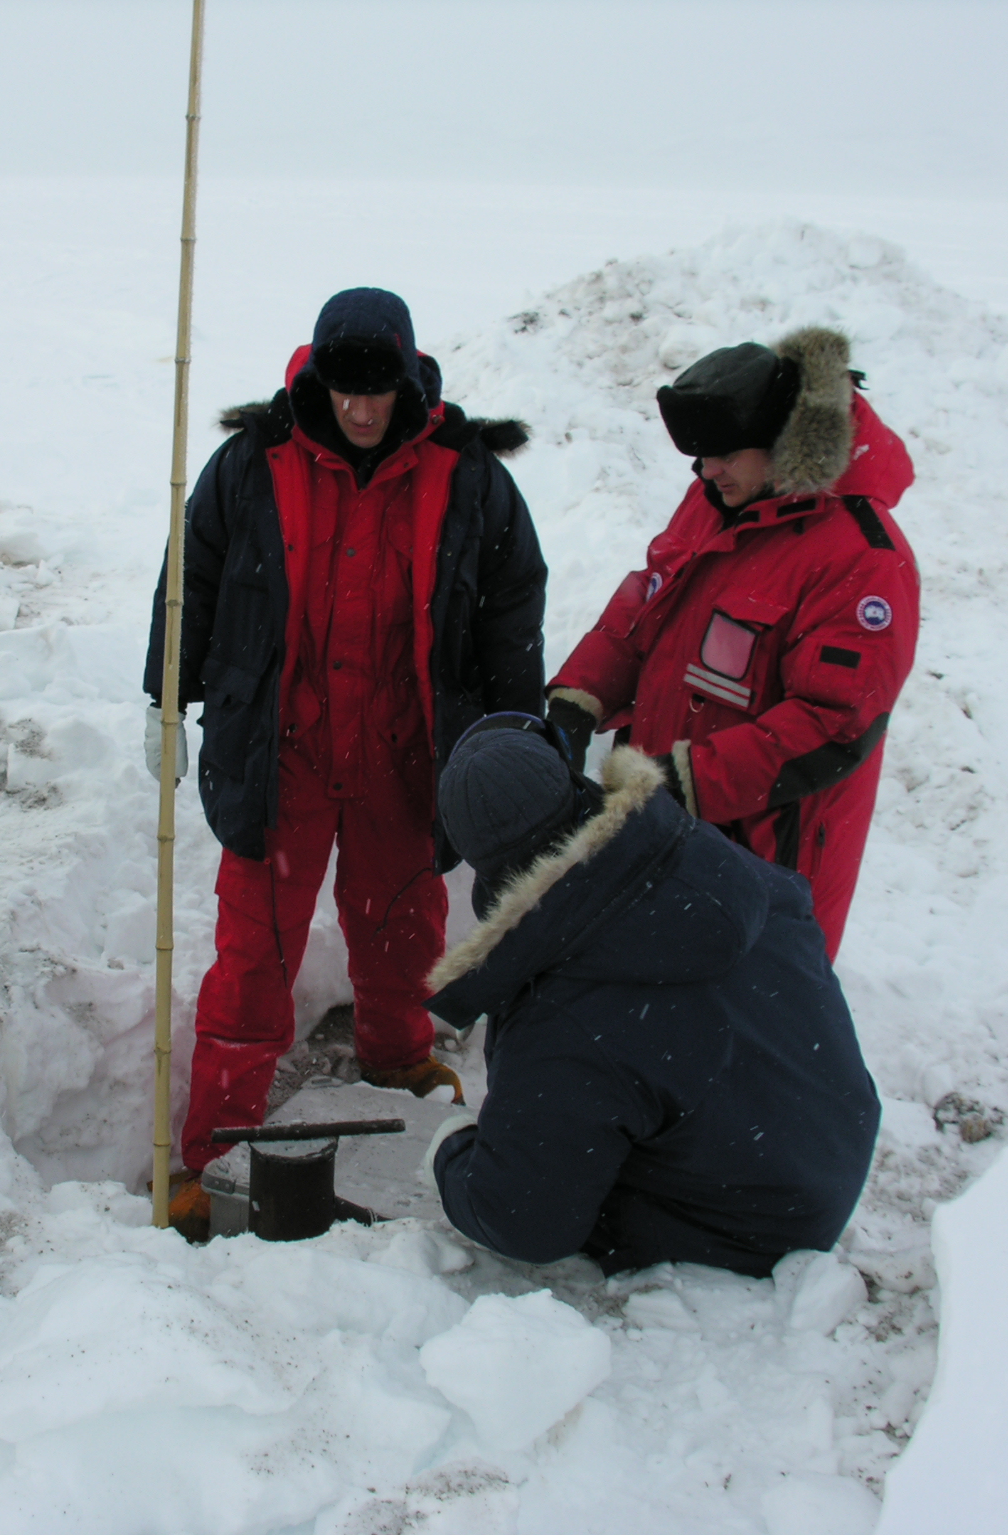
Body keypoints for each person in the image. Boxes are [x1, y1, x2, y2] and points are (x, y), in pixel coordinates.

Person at [143, 287, 547, 1240]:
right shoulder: (253, 462)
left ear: (410, 381)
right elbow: (191, 578)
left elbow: (510, 610)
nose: (362, 411)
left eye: (380, 391)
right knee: (254, 955)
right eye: (345, 390)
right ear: (317, 379)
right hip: (278, 752)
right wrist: (165, 695)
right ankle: (211, 1145)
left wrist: (516, 731)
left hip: (407, 753)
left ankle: (397, 1058)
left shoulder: (467, 474)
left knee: (403, 924)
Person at [421, 717, 881, 1276]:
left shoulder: (562, 1012)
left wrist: (452, 1155)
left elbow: (522, 1220)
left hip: (744, 1232)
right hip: (828, 1152)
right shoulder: (702, 860)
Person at [544, 328, 918, 957]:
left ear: (783, 440)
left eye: (723, 454)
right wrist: (579, 697)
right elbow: (650, 598)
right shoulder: (717, 496)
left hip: (763, 860)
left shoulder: (862, 558)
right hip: (662, 826)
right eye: (699, 456)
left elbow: (834, 723)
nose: (705, 471)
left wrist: (686, 781)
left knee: (739, 1006)